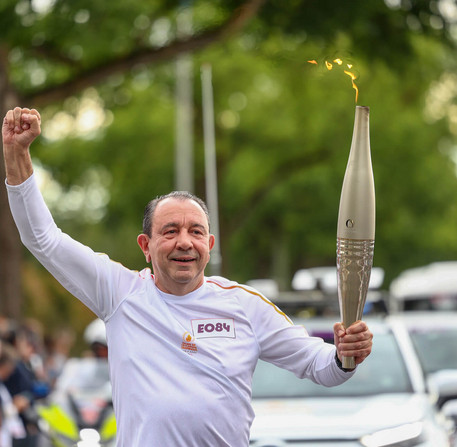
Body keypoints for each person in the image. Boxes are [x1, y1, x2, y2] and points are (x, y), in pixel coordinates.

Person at [2, 107, 373, 447]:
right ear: (145, 246)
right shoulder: (118, 294)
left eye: (196, 232)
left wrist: (344, 356)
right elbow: (43, 239)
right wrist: (17, 156)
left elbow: (319, 366)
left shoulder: (243, 304)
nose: (184, 242)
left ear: (209, 244)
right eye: (170, 231)